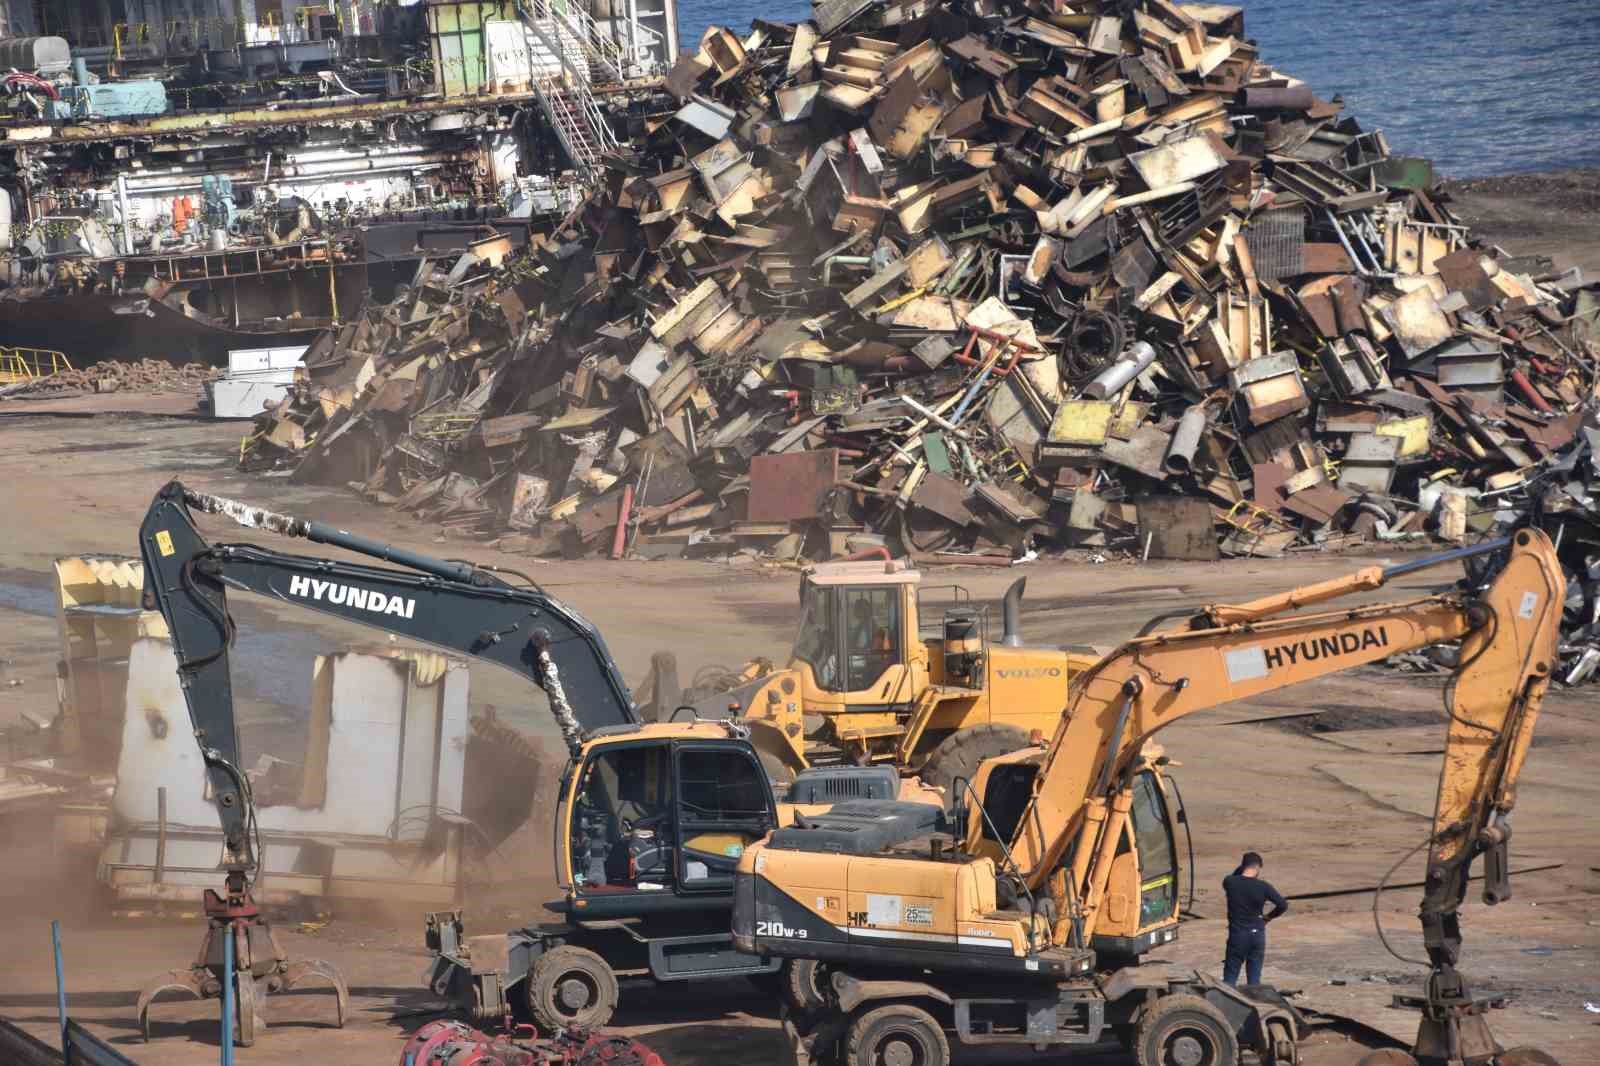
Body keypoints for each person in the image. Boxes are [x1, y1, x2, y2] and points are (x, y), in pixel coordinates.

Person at [1221, 851, 1287, 986]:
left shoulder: (1230, 882)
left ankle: (1226, 1003)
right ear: (1258, 868)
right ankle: (1254, 1002)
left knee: (1230, 978)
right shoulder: (1264, 887)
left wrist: (1241, 869)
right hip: (1257, 936)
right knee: (1254, 981)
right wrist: (1268, 917)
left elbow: (1235, 875)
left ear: (1243, 866)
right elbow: (1283, 905)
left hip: (1238, 936)